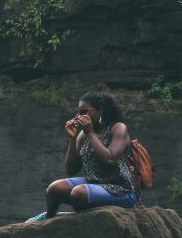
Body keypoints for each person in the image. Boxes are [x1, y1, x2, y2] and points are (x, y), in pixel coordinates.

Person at [28, 91, 142, 221]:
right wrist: (73, 138)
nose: (79, 117)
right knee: (55, 189)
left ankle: (76, 218)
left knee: (78, 193)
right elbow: (71, 170)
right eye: (78, 113)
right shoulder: (83, 135)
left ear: (100, 111)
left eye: (84, 112)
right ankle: (49, 218)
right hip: (95, 183)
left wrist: (90, 133)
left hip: (122, 190)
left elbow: (110, 159)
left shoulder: (118, 128)